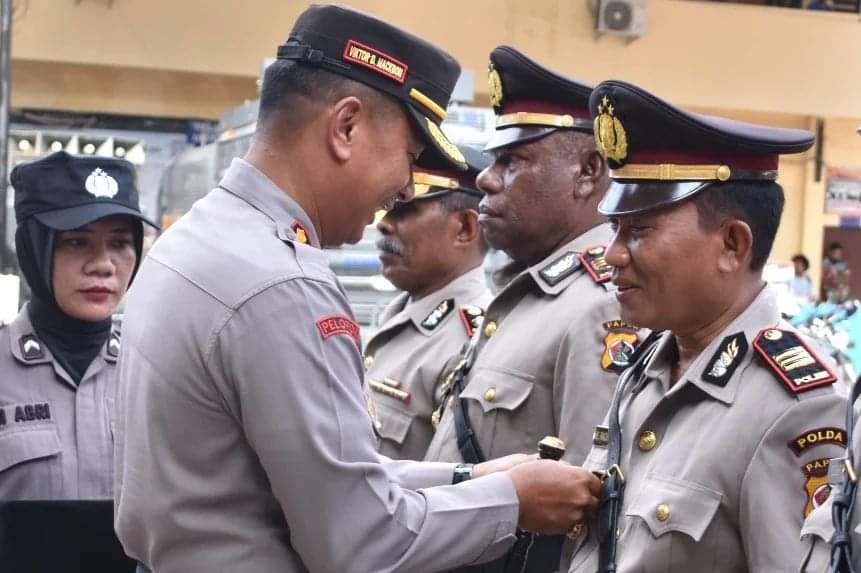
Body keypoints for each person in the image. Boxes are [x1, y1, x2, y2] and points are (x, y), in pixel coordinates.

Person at [113, 6, 601, 573]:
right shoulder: (284, 285)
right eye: (409, 157)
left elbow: (316, 475)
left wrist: (468, 478)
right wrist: (512, 503)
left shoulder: (200, 238)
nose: (404, 188)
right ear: (345, 127)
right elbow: (361, 540)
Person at [562, 80, 848, 573]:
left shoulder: (795, 406)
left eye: (639, 230)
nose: (613, 254)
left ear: (732, 245)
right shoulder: (650, 366)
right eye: (615, 229)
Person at [423, 46, 645, 572]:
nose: (486, 178)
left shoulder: (600, 304)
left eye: (512, 162)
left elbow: (583, 513)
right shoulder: (528, 292)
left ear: (587, 172)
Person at [0, 151, 155, 570]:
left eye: (120, 243)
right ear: (33, 247)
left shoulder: (156, 373)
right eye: (76, 241)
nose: (103, 265)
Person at [365, 145, 492, 460]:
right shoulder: (399, 314)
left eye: (404, 210)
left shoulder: (473, 341)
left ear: (465, 228)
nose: (383, 223)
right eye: (388, 206)